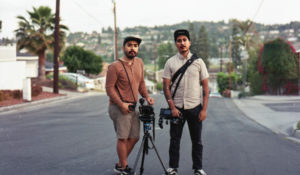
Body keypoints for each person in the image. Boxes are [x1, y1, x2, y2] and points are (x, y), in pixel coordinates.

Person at [162, 29, 209, 175]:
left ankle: (198, 168)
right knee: (174, 140)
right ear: (175, 43)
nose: (182, 43)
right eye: (179, 40)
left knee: (197, 141)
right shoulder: (170, 62)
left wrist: (204, 110)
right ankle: (173, 168)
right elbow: (166, 88)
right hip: (177, 108)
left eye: (184, 40)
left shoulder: (199, 62)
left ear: (189, 42)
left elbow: (206, 89)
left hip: (195, 107)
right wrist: (172, 108)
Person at [106, 36, 154, 175]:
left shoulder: (139, 63)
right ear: (123, 48)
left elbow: (141, 83)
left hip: (133, 107)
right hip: (118, 107)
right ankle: (123, 167)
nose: (132, 48)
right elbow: (109, 88)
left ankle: (120, 164)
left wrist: (147, 97)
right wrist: (121, 105)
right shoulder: (115, 66)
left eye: (135, 45)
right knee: (123, 137)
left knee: (134, 137)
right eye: (129, 45)